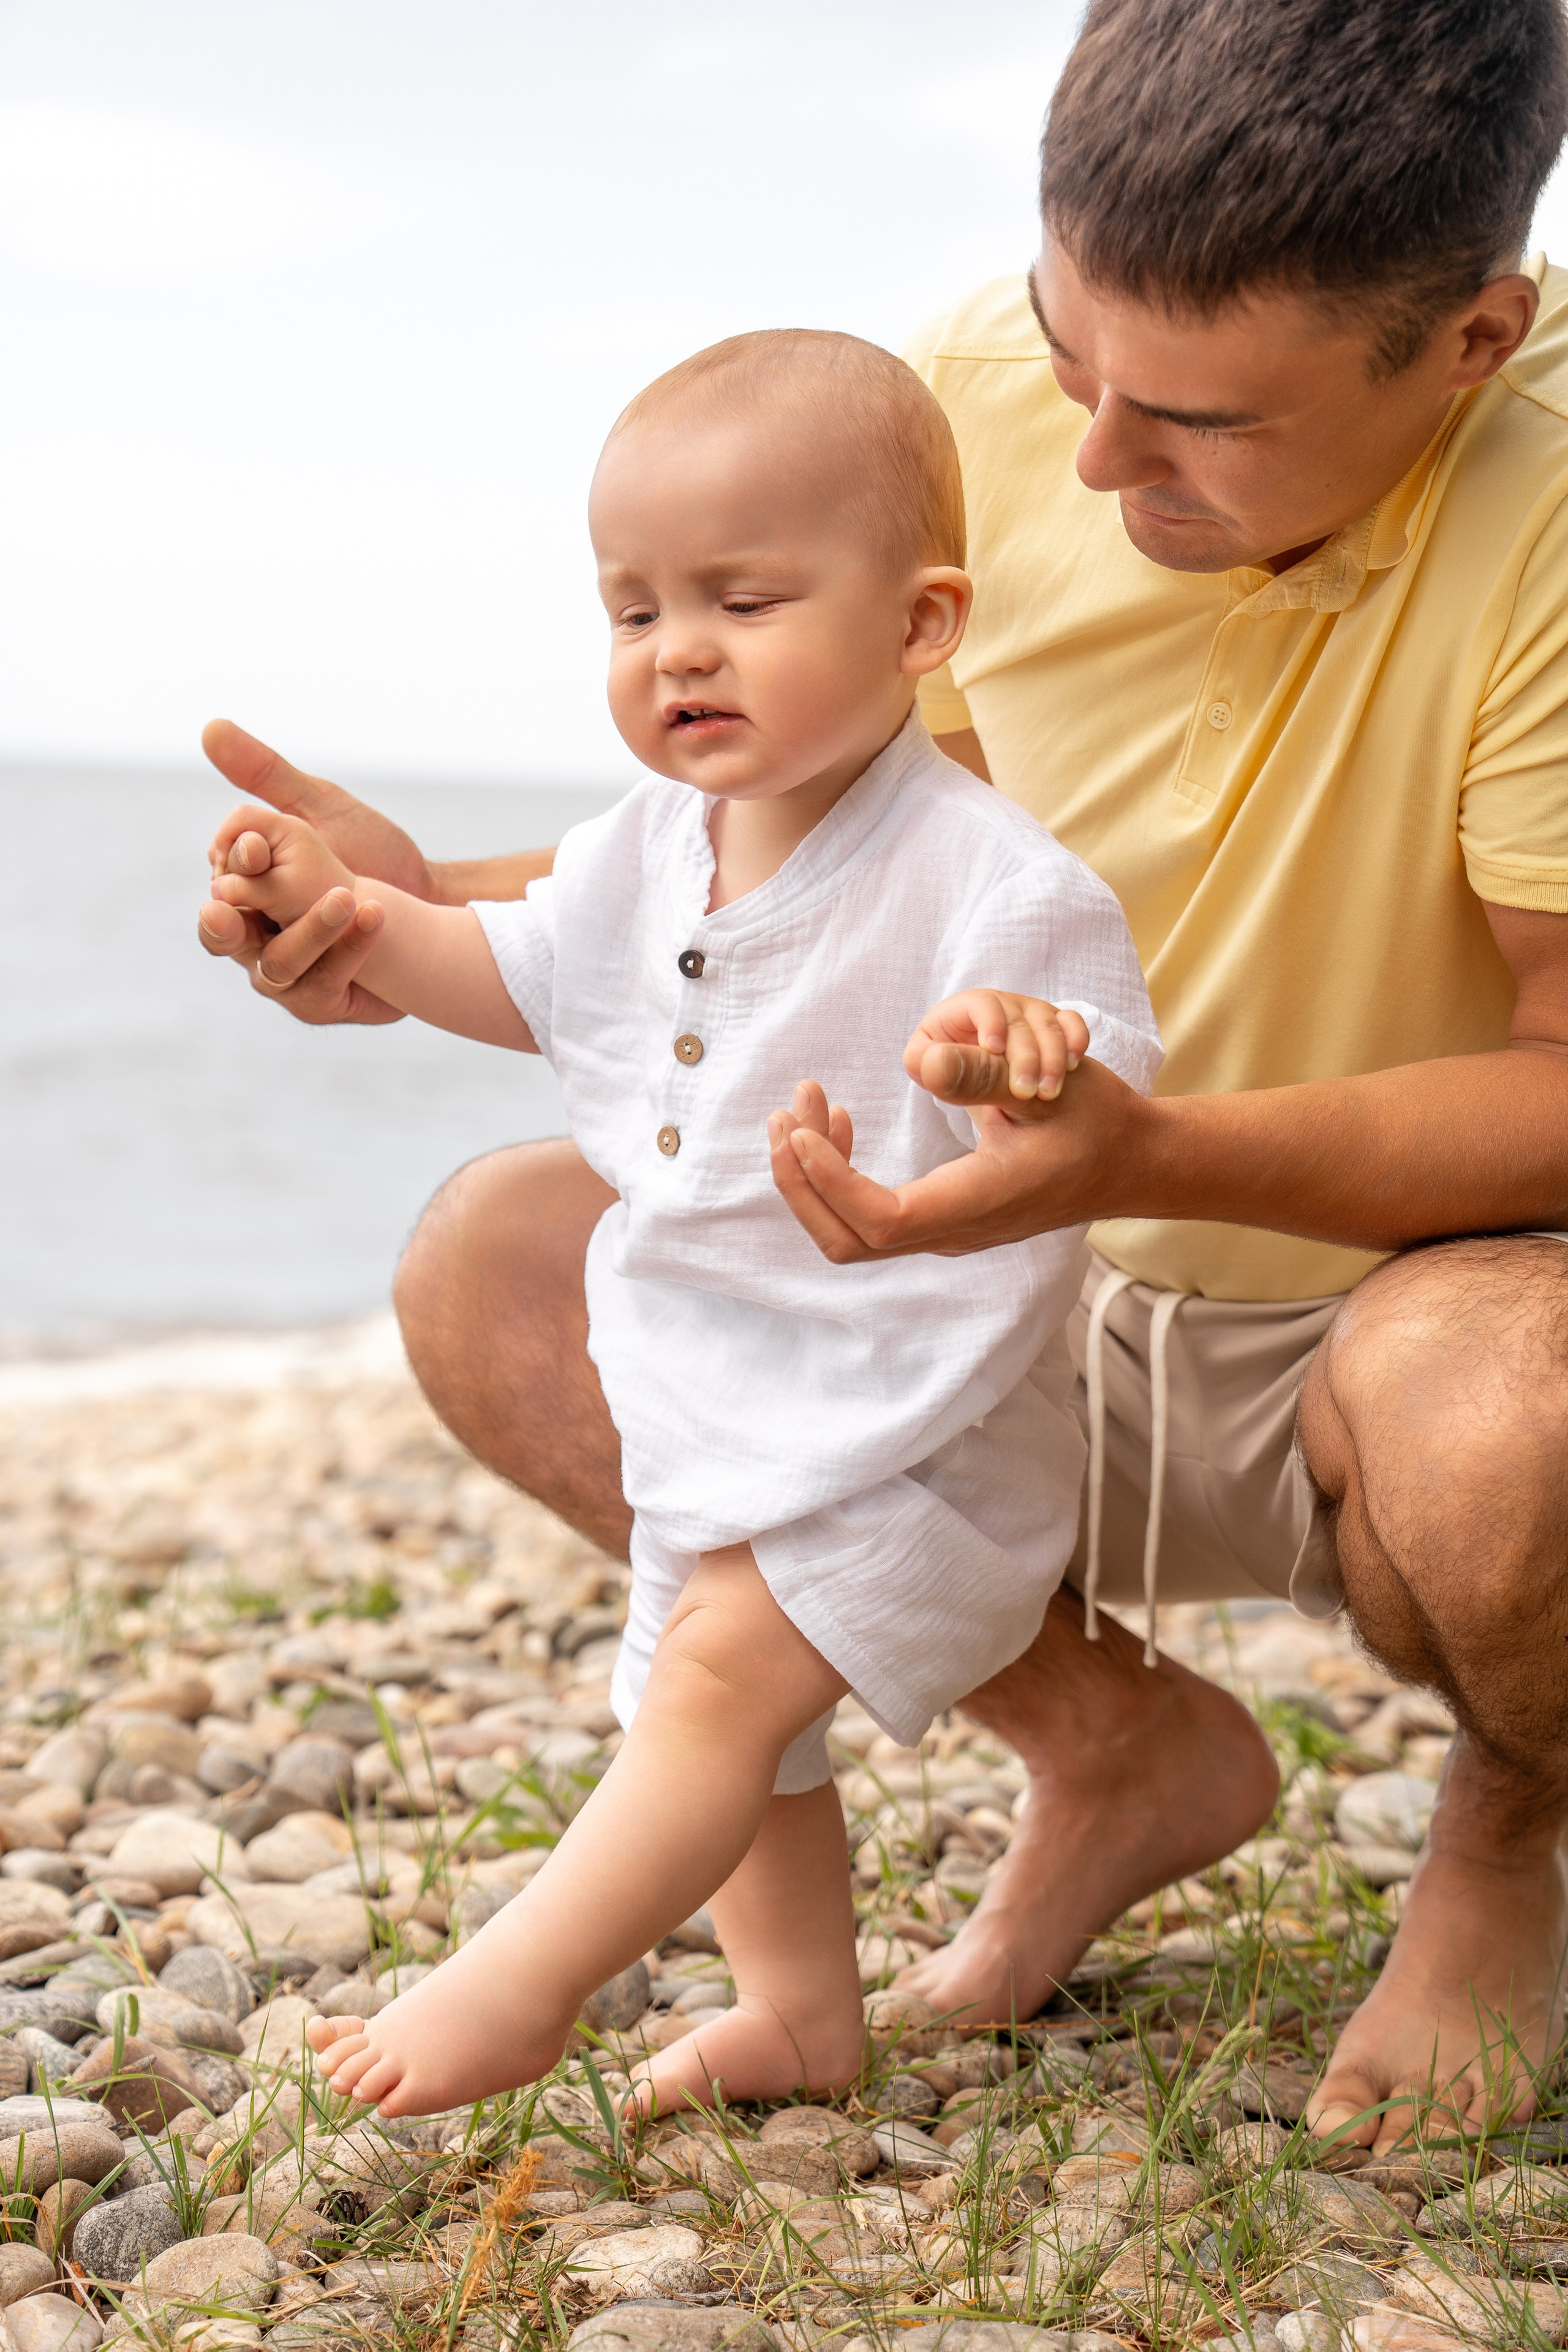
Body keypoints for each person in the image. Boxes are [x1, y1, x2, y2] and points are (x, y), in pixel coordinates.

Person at [198, 0, 1568, 2155]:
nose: (1092, 467)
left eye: (1196, 419)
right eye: (1069, 349)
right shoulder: (956, 407)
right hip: (983, 1290)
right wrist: (383, 916)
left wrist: (1138, 1141)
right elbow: (756, 889)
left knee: (1524, 1430)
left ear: (1472, 340)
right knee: (517, 1275)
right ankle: (1108, 1762)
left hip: (1395, 1312)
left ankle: (1505, 1851)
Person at [202, 330, 1161, 2120]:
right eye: (634, 612)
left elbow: (1089, 1069)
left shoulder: (992, 875)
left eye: (745, 597)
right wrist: (347, 909)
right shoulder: (652, 844)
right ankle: (799, 2015)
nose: (680, 651)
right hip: (720, 1393)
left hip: (916, 1425)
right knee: (723, 1727)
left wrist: (1027, 1057)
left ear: (920, 624)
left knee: (722, 1685)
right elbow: (507, 968)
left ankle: (523, 1982)